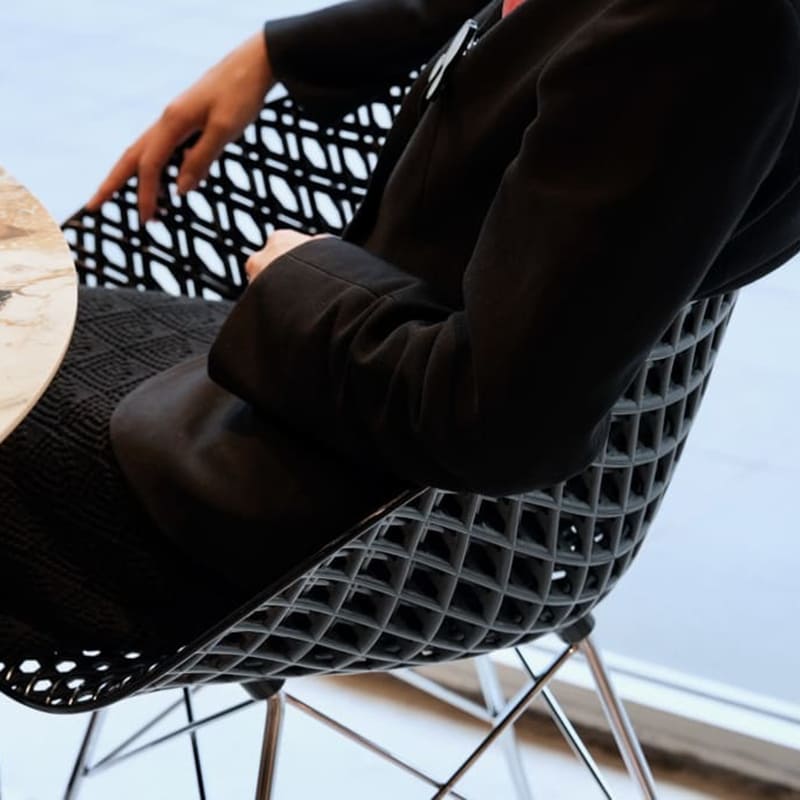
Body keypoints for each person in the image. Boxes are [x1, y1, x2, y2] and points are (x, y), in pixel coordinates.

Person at [2, 0, 799, 662]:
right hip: (330, 395)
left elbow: (495, 421)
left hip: (356, 510)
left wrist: (298, 279)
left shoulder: (697, 30)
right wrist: (278, 50)